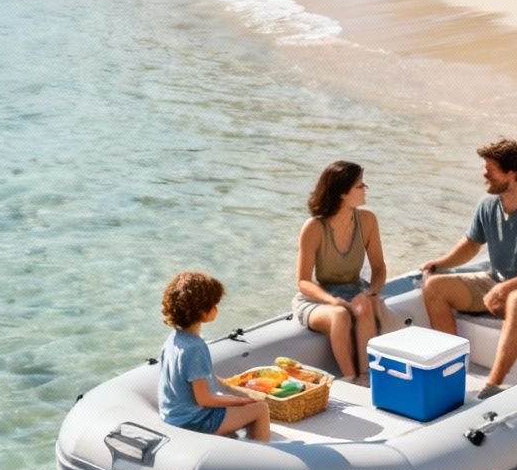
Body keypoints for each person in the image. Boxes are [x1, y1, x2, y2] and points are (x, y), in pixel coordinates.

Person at [418, 137, 517, 400]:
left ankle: (492, 385)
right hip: (496, 280)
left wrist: (507, 288)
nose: (484, 173)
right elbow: (471, 245)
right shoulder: (488, 206)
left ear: (512, 173)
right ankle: (453, 371)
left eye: (490, 168)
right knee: (435, 286)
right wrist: (441, 263)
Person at [292, 160, 389, 383]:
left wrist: (371, 292)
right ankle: (349, 377)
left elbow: (379, 268)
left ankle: (366, 376)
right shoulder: (314, 227)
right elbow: (304, 281)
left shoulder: (367, 220)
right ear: (342, 192)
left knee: (365, 304)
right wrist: (333, 301)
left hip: (356, 290)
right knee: (340, 314)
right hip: (318, 299)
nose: (366, 189)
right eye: (360, 185)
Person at [158, 271, 270, 441]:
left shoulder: (174, 339)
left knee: (239, 411)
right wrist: (239, 401)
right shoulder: (195, 348)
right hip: (193, 422)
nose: (217, 308)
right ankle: (261, 458)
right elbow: (204, 399)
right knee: (260, 409)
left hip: (173, 417)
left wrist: (232, 389)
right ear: (201, 311)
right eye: (214, 304)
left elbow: (199, 379)